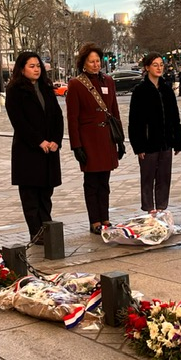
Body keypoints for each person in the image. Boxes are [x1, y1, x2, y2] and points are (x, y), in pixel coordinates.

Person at [66, 42, 125, 235]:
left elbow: (114, 111)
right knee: (92, 182)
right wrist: (76, 146)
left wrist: (120, 140)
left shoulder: (108, 81)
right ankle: (95, 221)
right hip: (89, 140)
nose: (95, 64)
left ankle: (105, 217)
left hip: (107, 137)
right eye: (91, 61)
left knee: (105, 182)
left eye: (98, 61)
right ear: (83, 63)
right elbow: (72, 118)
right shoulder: (76, 84)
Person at [5, 52, 64, 245]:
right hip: (29, 151)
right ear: (22, 69)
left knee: (45, 195)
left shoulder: (46, 87)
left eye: (38, 65)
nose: (36, 69)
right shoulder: (15, 90)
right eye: (32, 66)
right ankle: (36, 233)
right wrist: (39, 141)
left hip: (49, 151)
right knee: (31, 196)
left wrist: (55, 140)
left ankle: (47, 228)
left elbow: (57, 115)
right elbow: (19, 122)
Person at [129, 51, 181, 213]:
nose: (159, 68)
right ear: (147, 67)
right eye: (155, 65)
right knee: (147, 178)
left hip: (166, 142)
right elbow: (135, 121)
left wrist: (178, 141)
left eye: (161, 65)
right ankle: (149, 209)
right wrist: (138, 146)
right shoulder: (140, 91)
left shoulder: (167, 89)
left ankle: (161, 208)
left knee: (164, 178)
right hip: (148, 143)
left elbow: (175, 117)